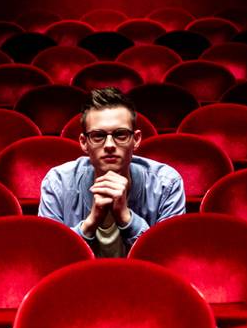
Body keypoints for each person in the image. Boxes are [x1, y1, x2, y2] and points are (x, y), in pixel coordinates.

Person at [38, 87, 185, 256]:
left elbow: (168, 257)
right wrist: (90, 223)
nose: (109, 145)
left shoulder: (167, 183)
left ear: (136, 139)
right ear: (84, 142)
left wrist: (126, 218)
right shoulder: (57, 182)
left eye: (120, 134)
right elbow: (49, 257)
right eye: (98, 135)